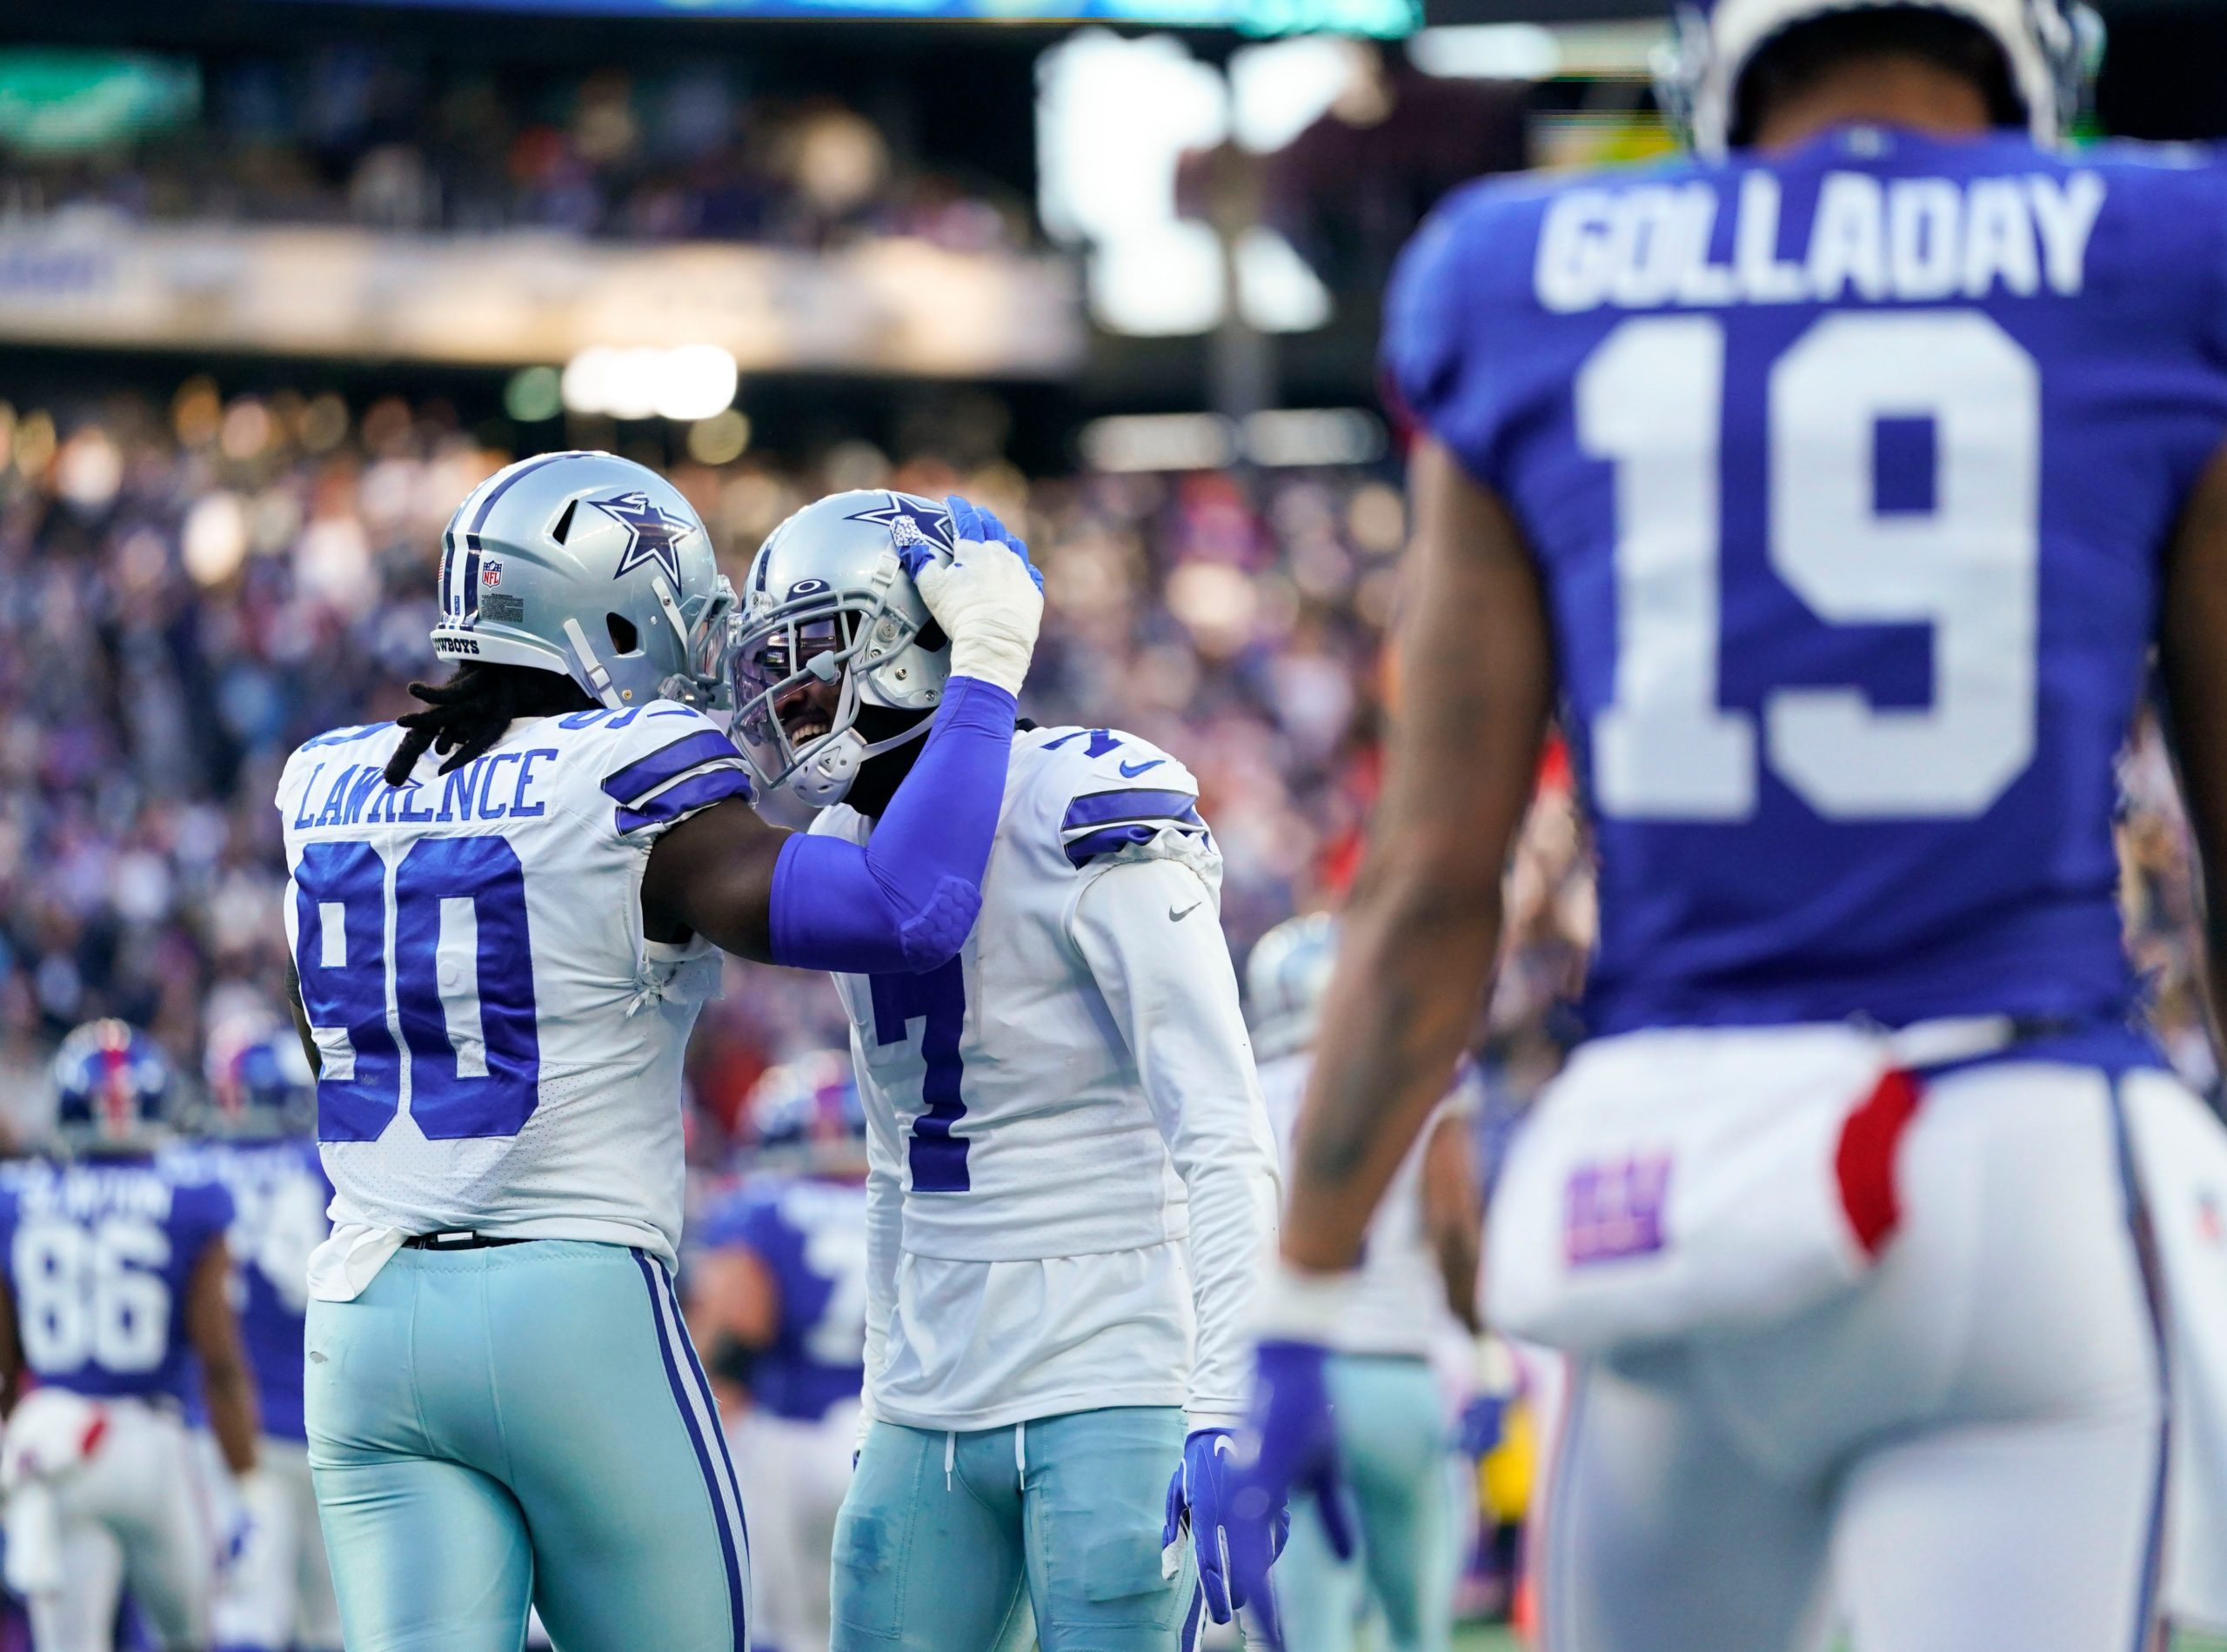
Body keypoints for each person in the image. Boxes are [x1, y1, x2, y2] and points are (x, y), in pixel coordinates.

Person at [1222, 3, 2227, 1650]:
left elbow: (1426, 879)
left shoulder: (1520, 270)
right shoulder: (2164, 248)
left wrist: (1311, 1284)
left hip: (1661, 1179)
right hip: (2021, 1152)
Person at [278, 451, 1042, 1652]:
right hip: (570, 1309)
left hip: (366, 1320)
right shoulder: (628, 773)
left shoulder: (323, 777)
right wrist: (988, 667)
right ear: (611, 609)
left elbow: (331, 1029)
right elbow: (910, 909)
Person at [728, 490, 1283, 1652]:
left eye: (817, 653)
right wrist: (888, 1380)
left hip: (1107, 1366)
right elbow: (889, 1160)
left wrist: (1228, 1394)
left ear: (913, 643)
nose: (790, 695)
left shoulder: (1082, 804)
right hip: (926, 1393)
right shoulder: (839, 849)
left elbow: (1223, 1126)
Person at [1244, 913, 1483, 1652]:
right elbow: (1452, 1226)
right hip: (1391, 1367)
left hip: (1290, 1368)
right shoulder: (1413, 1074)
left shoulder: (1245, 1092)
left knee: (1308, 1633)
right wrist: (1474, 1324)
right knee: (1416, 1630)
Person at [0, 1019, 263, 1652]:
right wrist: (244, 1480)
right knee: (194, 1636)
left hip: (60, 1443)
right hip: (157, 1444)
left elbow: (6, 1369)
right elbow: (219, 1358)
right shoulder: (192, 1193)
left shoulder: (15, 1197)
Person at [687, 1052, 870, 1652]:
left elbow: (733, 1335)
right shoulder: (902, 1203)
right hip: (887, 1440)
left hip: (789, 1437)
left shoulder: (760, 1207)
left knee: (785, 1635)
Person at [167, 1024, 339, 1652]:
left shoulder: (182, 1173)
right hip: (328, 1429)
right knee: (337, 1625)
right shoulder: (328, 1162)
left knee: (244, 1620)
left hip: (222, 1436)